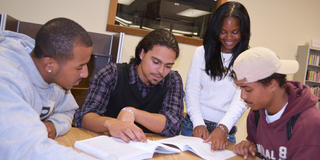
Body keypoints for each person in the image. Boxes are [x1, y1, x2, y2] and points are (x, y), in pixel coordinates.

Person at [0, 18, 100, 159]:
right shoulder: (6, 79)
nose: (85, 73)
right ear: (50, 65)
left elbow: (67, 111)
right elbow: (27, 150)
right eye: (79, 67)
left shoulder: (54, 77)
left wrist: (54, 125)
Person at [75, 29, 185, 143]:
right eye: (156, 62)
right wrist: (111, 124)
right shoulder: (111, 74)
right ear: (142, 54)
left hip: (149, 149)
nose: (161, 71)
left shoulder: (172, 80)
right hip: (110, 146)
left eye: (168, 66)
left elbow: (174, 125)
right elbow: (84, 118)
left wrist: (132, 112)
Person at [181, 1, 250, 150]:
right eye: (223, 31)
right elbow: (192, 90)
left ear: (243, 32)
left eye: (235, 32)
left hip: (225, 131)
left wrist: (223, 127)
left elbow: (242, 99)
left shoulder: (247, 59)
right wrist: (198, 122)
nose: (228, 37)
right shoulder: (202, 52)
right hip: (194, 126)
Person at [232, 47, 320, 159]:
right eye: (240, 89)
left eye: (248, 90)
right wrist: (249, 146)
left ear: (272, 84)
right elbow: (257, 149)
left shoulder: (309, 125)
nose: (242, 96)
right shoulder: (256, 114)